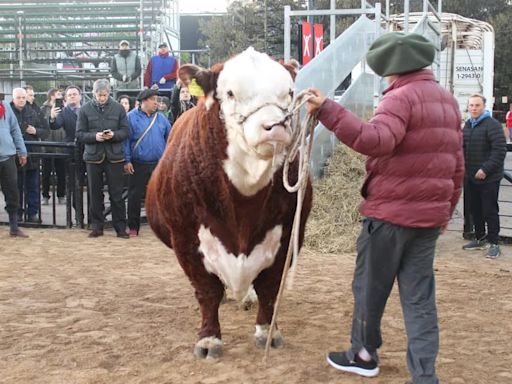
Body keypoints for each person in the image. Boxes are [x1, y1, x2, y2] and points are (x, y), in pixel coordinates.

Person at [305, 32, 464, 384]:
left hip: (389, 217)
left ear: (391, 69)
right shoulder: (448, 102)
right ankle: (425, 375)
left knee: (369, 288)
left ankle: (363, 354)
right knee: (420, 299)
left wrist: (328, 110)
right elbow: (457, 165)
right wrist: (445, 212)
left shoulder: (399, 98)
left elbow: (376, 141)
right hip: (427, 221)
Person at [76, 79, 130, 238]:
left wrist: (114, 135)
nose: (102, 98)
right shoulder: (85, 110)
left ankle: (120, 228)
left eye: (104, 95)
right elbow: (79, 134)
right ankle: (97, 226)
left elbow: (126, 131)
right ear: (93, 94)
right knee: (94, 193)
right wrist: (95, 137)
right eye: (99, 95)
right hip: (93, 157)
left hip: (115, 157)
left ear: (109, 93)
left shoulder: (119, 108)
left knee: (117, 194)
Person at [461, 94, 506, 258]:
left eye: (477, 105)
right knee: (475, 209)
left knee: (489, 210)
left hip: (489, 178)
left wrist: (485, 169)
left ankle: (494, 243)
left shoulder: (492, 125)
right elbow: (461, 147)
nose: (473, 108)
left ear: (484, 106)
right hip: (470, 176)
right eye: (471, 105)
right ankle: (480, 238)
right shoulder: (467, 125)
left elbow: (499, 150)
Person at [124, 88, 171, 237]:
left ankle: (162, 227)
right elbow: (125, 141)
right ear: (143, 101)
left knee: (161, 197)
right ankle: (133, 227)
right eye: (153, 100)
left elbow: (169, 138)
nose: (156, 103)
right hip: (138, 163)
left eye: (157, 100)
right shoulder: (130, 117)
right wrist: (127, 160)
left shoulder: (162, 118)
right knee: (134, 196)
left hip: (158, 164)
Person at [10, 87, 48, 223]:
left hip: (32, 154)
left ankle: (32, 214)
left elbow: (46, 130)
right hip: (13, 156)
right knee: (15, 187)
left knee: (33, 187)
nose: (21, 100)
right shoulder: (7, 112)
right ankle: (17, 214)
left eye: (23, 97)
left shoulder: (34, 111)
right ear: (13, 99)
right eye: (18, 98)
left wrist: (36, 130)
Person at [0, 98, 29, 237]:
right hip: (7, 155)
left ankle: (14, 227)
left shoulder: (5, 105)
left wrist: (22, 150)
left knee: (12, 193)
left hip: (7, 156)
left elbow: (14, 128)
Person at [41, 88, 66, 205]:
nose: (60, 96)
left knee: (61, 174)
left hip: (61, 146)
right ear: (51, 96)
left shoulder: (64, 109)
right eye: (58, 94)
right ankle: (45, 196)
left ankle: (61, 195)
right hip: (47, 145)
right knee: (46, 174)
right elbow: (42, 125)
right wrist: (51, 116)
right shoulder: (43, 109)